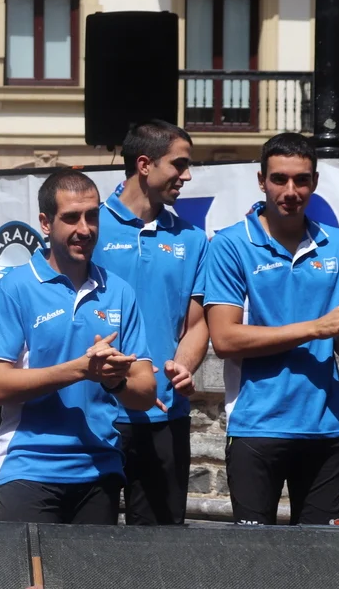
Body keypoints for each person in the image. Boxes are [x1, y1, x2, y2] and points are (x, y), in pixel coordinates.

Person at [205, 133, 339, 525]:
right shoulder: (231, 244)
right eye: (279, 179)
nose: (290, 191)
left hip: (328, 427)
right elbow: (226, 339)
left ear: (314, 182)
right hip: (256, 425)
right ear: (261, 181)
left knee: (323, 556)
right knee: (253, 557)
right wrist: (316, 328)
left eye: (301, 180)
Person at [0, 169, 157, 525]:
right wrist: (80, 370)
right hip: (29, 469)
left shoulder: (119, 292)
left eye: (92, 216)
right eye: (72, 218)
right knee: (30, 566)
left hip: (100, 470)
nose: (85, 229)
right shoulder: (15, 288)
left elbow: (145, 393)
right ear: (46, 223)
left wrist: (115, 381)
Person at [94, 120, 209, 525]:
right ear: (144, 164)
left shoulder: (193, 239)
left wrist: (183, 366)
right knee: (86, 551)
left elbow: (197, 324)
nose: (187, 176)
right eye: (179, 164)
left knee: (159, 553)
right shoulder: (88, 229)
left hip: (166, 418)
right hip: (96, 415)